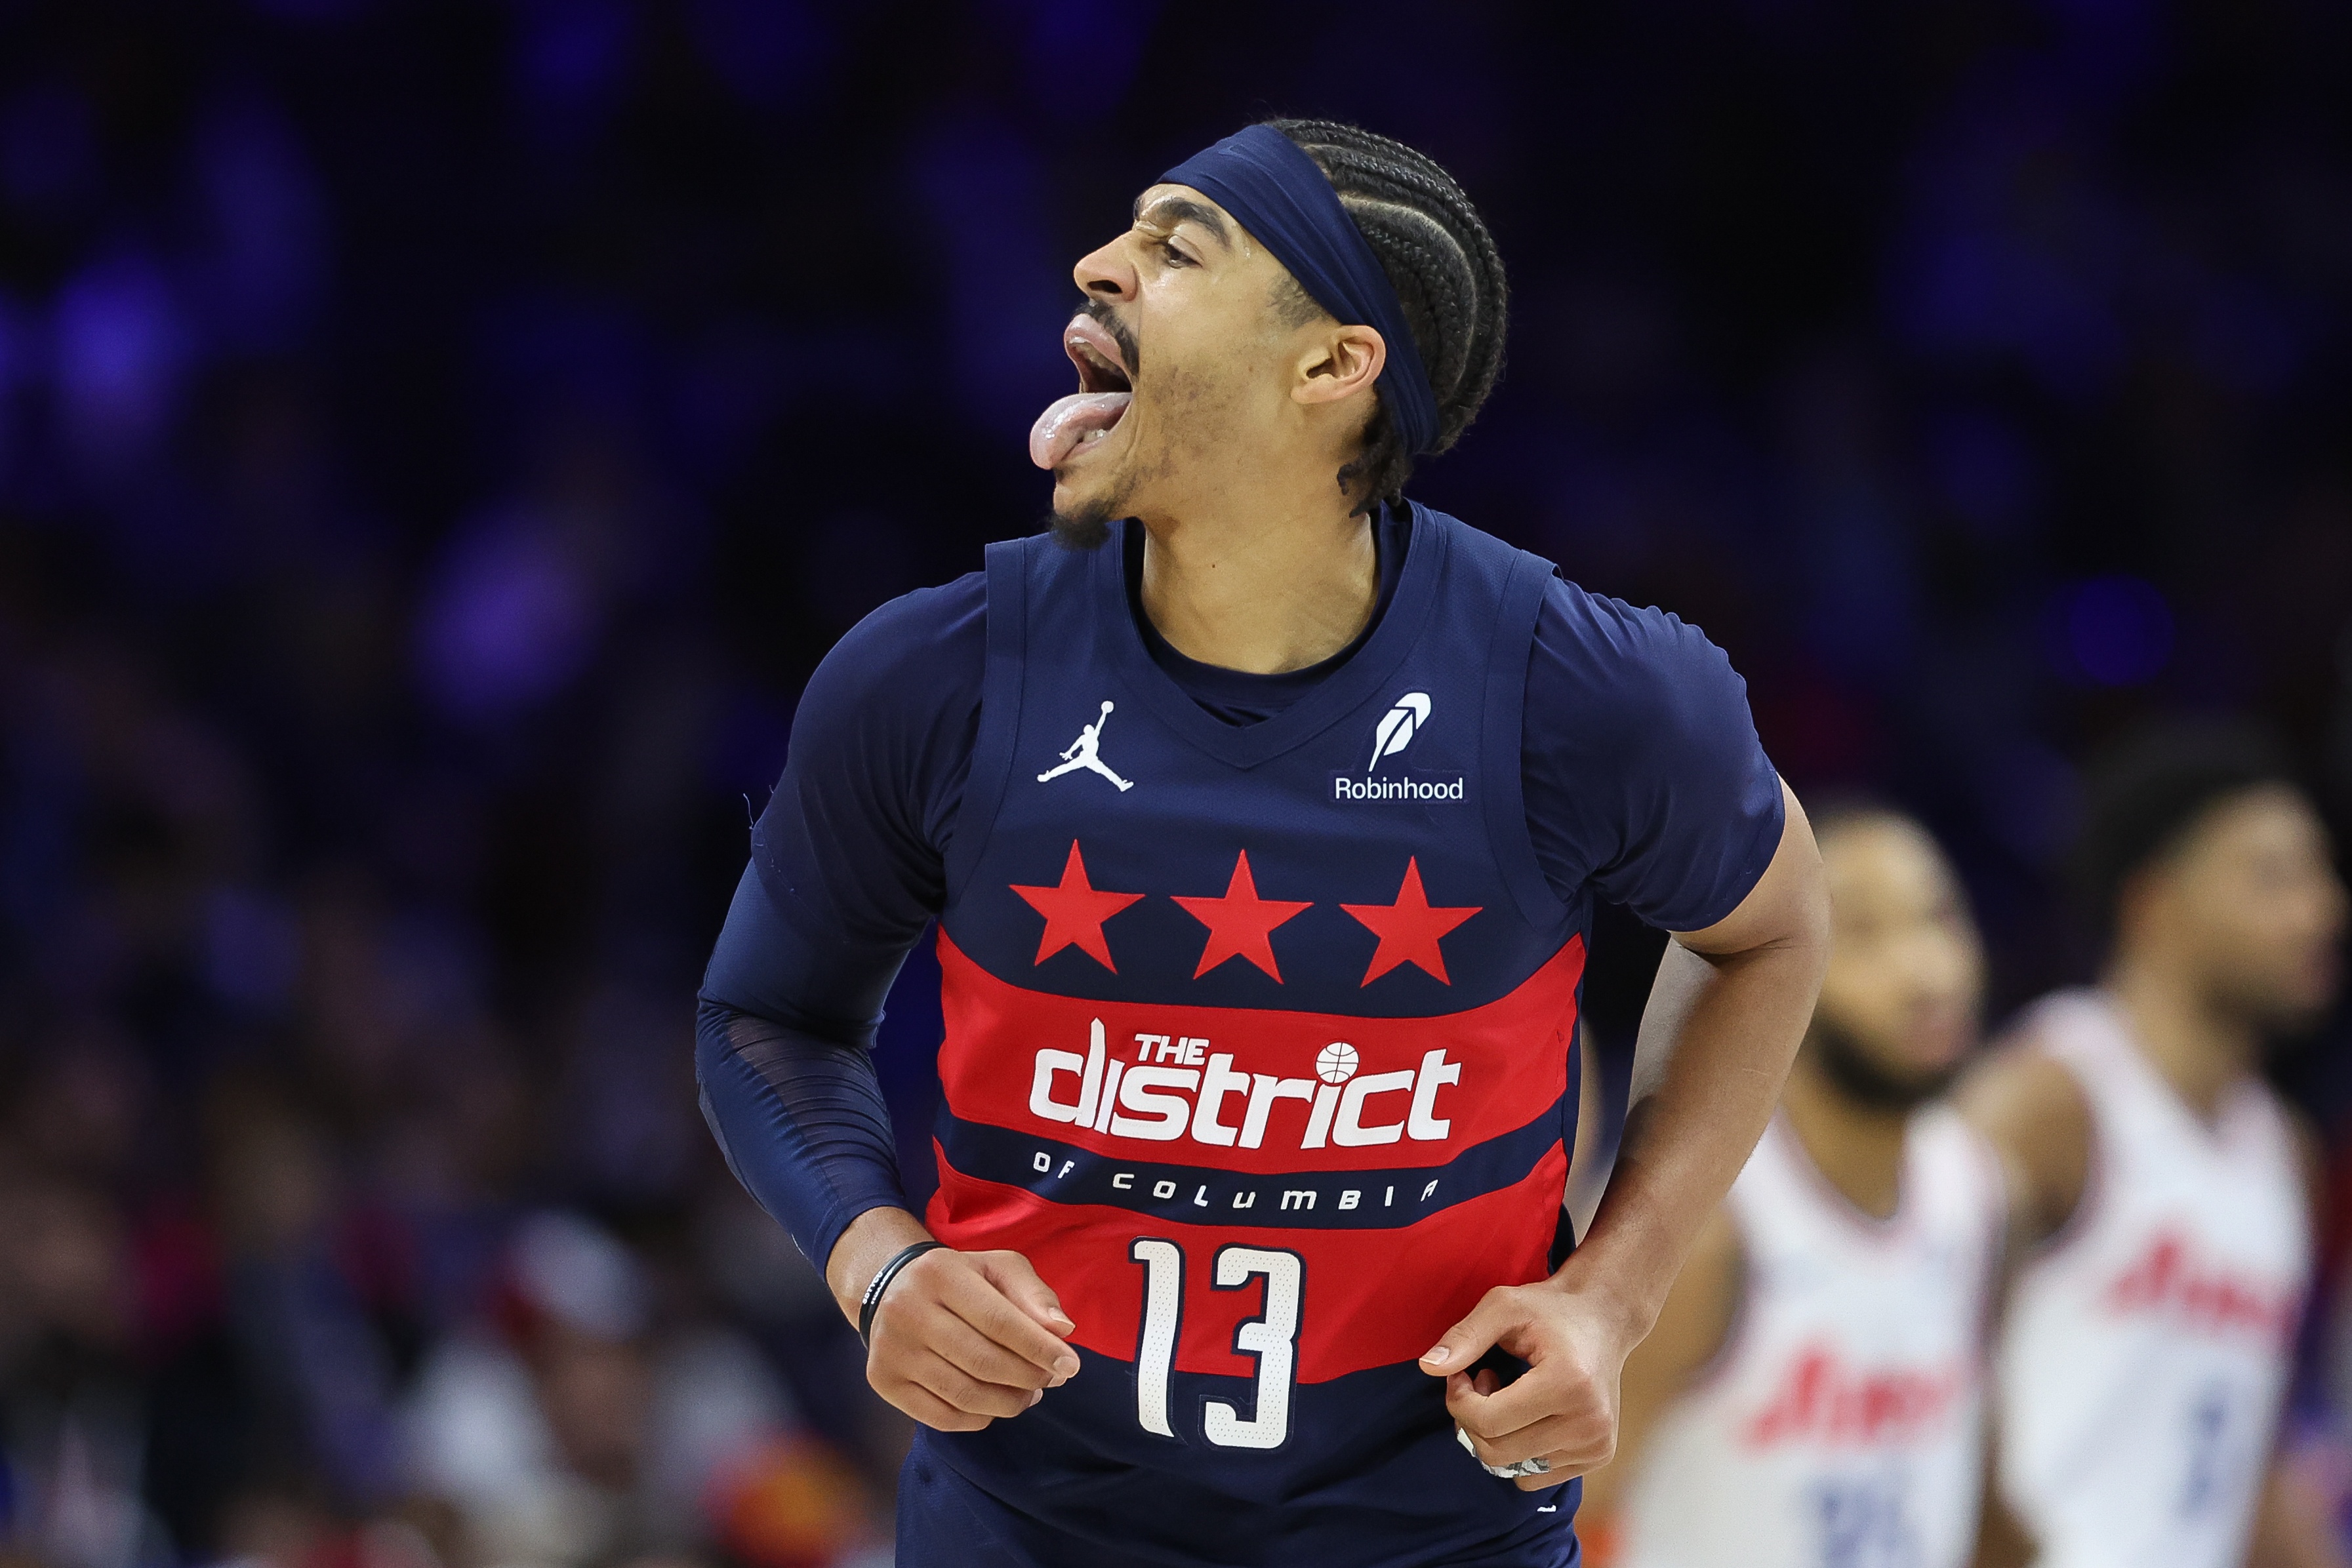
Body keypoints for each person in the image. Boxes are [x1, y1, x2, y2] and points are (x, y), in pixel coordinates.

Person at [695, 119, 1830, 1567]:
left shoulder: (1584, 692)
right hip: (1026, 1533)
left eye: (1176, 250)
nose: (1096, 264)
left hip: (1439, 1538)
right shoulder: (932, 675)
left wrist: (1613, 1293)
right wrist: (876, 1258)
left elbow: (1771, 929)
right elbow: (765, 1013)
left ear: (1330, 365)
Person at [1573, 808, 2009, 1568]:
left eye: (1938, 917)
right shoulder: (1704, 1230)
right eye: (1863, 933)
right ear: (1777, 965)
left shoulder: (1979, 1191)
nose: (1926, 971)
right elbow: (1555, 1514)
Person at [1960, 724, 2349, 1568]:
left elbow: (2249, 1455)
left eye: (2319, 876)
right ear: (2154, 904)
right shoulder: (2051, 1097)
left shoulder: (2286, 1151)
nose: (2319, 912)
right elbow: (1900, 1346)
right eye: (2271, 877)